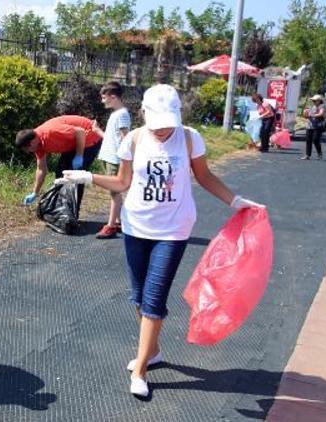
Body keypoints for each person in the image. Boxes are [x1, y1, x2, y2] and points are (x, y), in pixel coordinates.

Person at [54, 84, 264, 397]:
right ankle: (152, 352)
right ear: (145, 115)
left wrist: (236, 201)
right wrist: (88, 177)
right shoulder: (135, 139)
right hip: (136, 227)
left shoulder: (191, 138)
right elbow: (123, 182)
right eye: (158, 123)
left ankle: (140, 370)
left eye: (169, 123)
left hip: (173, 230)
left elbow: (204, 177)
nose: (164, 130)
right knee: (138, 296)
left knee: (154, 298)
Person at [15, 115, 103, 211]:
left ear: (31, 143)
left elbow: (80, 132)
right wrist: (35, 193)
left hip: (89, 137)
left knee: (76, 177)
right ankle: (62, 210)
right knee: (60, 174)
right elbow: (41, 169)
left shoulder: (50, 132)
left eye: (27, 149)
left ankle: (72, 212)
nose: (29, 152)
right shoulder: (37, 145)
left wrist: (79, 156)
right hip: (73, 142)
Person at [92, 81, 131, 239]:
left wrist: (125, 161)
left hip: (115, 160)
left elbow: (125, 138)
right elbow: (111, 138)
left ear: (113, 97)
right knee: (113, 192)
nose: (102, 101)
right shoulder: (116, 114)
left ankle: (111, 225)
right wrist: (97, 131)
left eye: (104, 98)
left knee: (114, 192)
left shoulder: (122, 114)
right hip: (109, 158)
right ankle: (120, 221)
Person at [301, 94, 326, 160]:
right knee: (308, 140)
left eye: (315, 100)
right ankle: (307, 155)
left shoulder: (322, 106)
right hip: (310, 125)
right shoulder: (311, 106)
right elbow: (306, 116)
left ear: (319, 101)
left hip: (318, 125)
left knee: (315, 140)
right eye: (313, 100)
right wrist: (305, 113)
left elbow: (321, 113)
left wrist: (311, 115)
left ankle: (319, 153)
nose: (313, 102)